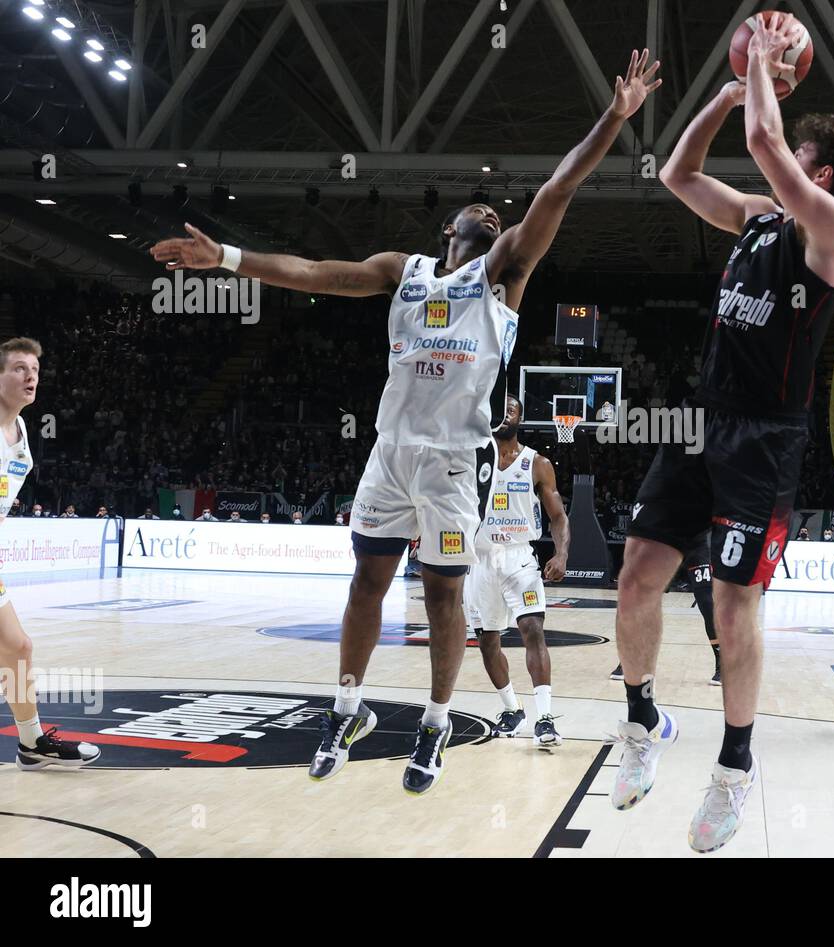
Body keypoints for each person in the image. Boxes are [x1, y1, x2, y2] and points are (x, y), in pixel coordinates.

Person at [152, 49, 659, 796]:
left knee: (445, 594)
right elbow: (317, 272)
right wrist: (227, 257)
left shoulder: (505, 274)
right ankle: (347, 707)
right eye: (476, 211)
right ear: (448, 226)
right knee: (366, 583)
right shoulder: (406, 269)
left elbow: (558, 189)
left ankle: (435, 721)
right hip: (390, 453)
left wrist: (613, 118)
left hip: (457, 460)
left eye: (497, 214)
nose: (489, 214)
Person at [611, 14, 834, 853]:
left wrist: (760, 67)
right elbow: (679, 173)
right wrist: (727, 92)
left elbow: (766, 138)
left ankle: (733, 769)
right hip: (701, 422)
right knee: (636, 575)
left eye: (799, 154)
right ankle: (642, 720)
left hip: (766, 440)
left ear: (822, 173)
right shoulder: (761, 218)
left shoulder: (828, 231)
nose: (781, 154)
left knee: (733, 605)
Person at [0, 338, 100, 770]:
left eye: (35, 370)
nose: (31, 376)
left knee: (17, 648)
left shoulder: (20, 432)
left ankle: (31, 744)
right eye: (19, 368)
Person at [466, 395, 571, 748]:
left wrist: (561, 554)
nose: (506, 413)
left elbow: (558, 516)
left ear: (521, 418)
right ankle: (512, 709)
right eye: (502, 407)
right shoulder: (473, 458)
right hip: (480, 559)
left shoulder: (537, 463)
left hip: (519, 557)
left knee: (532, 629)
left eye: (512, 408)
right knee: (487, 641)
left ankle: (544, 717)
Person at [611, 535, 719, 686]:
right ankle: (629, 661)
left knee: (706, 602)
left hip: (696, 540)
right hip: (665, 539)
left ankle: (722, 663)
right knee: (642, 601)